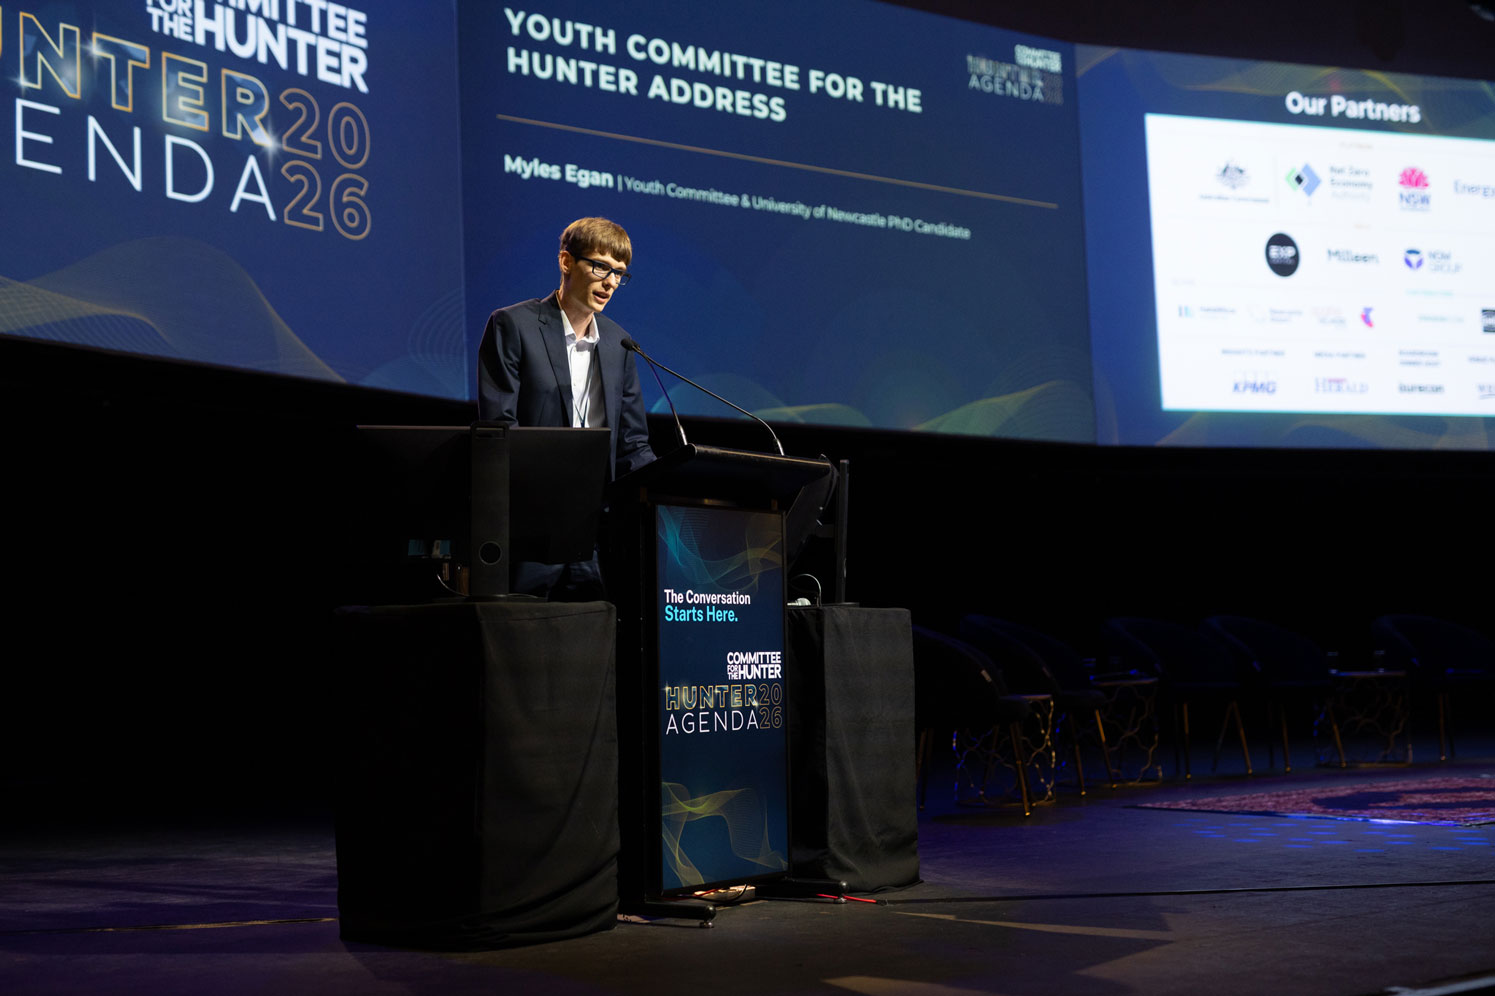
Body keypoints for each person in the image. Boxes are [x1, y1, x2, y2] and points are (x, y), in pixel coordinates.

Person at [476, 217, 656, 599]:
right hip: (531, 528)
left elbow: (633, 444)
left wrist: (667, 493)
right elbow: (499, 429)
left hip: (596, 533)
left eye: (619, 273)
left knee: (591, 643)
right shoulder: (514, 325)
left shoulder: (619, 343)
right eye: (600, 267)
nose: (610, 282)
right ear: (566, 262)